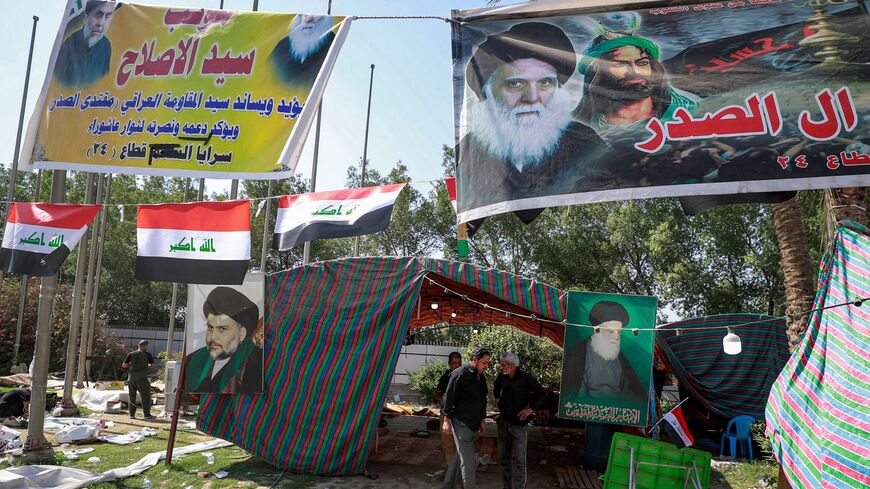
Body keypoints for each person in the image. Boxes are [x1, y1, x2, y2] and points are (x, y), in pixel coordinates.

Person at [458, 22, 607, 212]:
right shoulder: (468, 157)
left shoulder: (586, 143)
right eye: (515, 84)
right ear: (488, 92)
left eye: (545, 82)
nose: (532, 98)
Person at [574, 28, 697, 142]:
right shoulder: (581, 130)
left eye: (642, 63)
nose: (636, 72)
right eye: (620, 64)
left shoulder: (689, 112)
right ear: (596, 75)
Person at [561, 301, 646, 402]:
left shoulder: (621, 358)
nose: (616, 337)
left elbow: (633, 392)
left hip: (616, 413)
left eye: (618, 331)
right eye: (610, 331)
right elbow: (573, 393)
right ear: (597, 330)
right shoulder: (577, 353)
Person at [185, 286, 263, 394]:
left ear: (241, 333)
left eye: (222, 329)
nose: (213, 337)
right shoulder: (192, 360)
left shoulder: (257, 364)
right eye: (210, 328)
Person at [441, 348, 492, 489]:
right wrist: (446, 421)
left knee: (459, 458)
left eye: (487, 363)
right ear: (474, 360)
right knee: (469, 463)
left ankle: (447, 486)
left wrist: (482, 419)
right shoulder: (459, 374)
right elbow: (448, 398)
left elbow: (483, 400)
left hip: (474, 424)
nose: (486, 366)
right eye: (484, 363)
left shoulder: (480, 377)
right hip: (461, 423)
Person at [493, 352, 545, 489]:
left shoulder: (526, 378)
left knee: (520, 460)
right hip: (504, 422)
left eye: (503, 365)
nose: (501, 367)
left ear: (512, 365)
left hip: (519, 426)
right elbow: (496, 388)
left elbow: (542, 394)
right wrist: (498, 398)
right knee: (504, 459)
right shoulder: (501, 377)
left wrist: (531, 409)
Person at [54, 0, 116, 87]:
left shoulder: (106, 46)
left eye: (107, 17)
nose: (101, 24)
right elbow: (56, 86)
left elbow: (104, 85)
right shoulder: (69, 44)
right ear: (87, 16)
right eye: (98, 15)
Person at [269, 14, 336, 87]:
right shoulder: (283, 45)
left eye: (316, 15)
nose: (309, 19)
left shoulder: (333, 42)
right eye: (305, 15)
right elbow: (266, 74)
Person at [436, 351, 463, 466]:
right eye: (454, 363)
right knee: (447, 443)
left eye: (458, 363)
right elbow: (437, 394)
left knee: (461, 444)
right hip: (446, 415)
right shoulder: (444, 378)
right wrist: (444, 402)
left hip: (461, 415)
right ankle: (450, 471)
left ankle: (461, 471)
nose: (456, 365)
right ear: (449, 363)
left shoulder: (465, 377)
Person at [122, 340, 154, 419]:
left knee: (132, 396)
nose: (146, 347)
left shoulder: (131, 354)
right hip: (142, 378)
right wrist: (145, 366)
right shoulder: (147, 354)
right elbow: (152, 365)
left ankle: (132, 414)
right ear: (142, 346)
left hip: (131, 378)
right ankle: (146, 414)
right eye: (146, 346)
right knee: (145, 396)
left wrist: (131, 365)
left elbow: (124, 365)